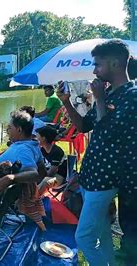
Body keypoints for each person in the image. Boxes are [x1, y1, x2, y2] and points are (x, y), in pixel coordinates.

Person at [56, 39, 137, 265]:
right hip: (91, 175)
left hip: (106, 179)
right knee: (101, 235)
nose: (94, 70)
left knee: (84, 237)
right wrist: (66, 102)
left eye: (98, 65)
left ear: (115, 64)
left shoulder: (132, 96)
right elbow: (84, 126)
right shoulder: (108, 93)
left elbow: (106, 133)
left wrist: (99, 99)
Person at [0, 111, 47, 231]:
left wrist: (11, 178)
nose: (8, 131)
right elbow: (42, 172)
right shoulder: (32, 145)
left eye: (10, 128)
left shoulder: (24, 150)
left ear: (19, 130)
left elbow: (34, 174)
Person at [35, 125, 67, 195]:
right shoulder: (42, 149)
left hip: (59, 178)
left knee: (45, 181)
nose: (35, 139)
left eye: (37, 137)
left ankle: (32, 200)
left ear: (44, 138)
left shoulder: (57, 151)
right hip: (47, 174)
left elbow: (52, 172)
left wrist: (39, 176)